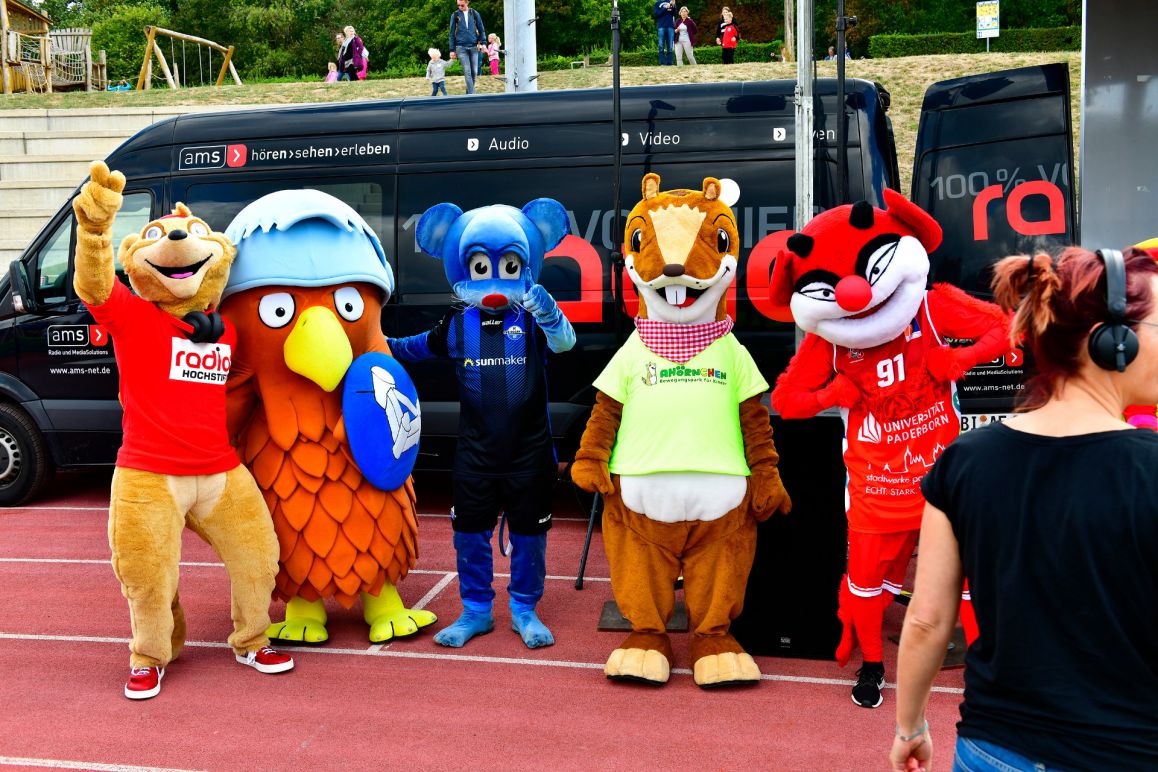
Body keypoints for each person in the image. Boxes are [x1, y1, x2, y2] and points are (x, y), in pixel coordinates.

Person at [890, 247, 1158, 771]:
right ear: (1114, 340)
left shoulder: (963, 461)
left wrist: (910, 727)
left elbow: (926, 619)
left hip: (992, 749)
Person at [448, 0, 486, 95]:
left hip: (474, 47)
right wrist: (452, 50)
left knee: (474, 72)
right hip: (461, 48)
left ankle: (468, 93)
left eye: (462, 5)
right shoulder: (455, 15)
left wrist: (484, 43)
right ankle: (473, 95)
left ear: (467, 3)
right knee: (467, 72)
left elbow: (481, 29)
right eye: (458, 5)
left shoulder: (474, 13)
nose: (460, 7)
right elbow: (451, 33)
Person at [654, 0, 676, 66]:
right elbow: (656, 14)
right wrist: (665, 7)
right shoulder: (657, 3)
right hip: (661, 27)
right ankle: (663, 63)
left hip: (670, 27)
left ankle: (670, 63)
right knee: (661, 46)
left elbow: (674, 13)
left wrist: (674, 6)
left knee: (670, 46)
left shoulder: (671, 2)